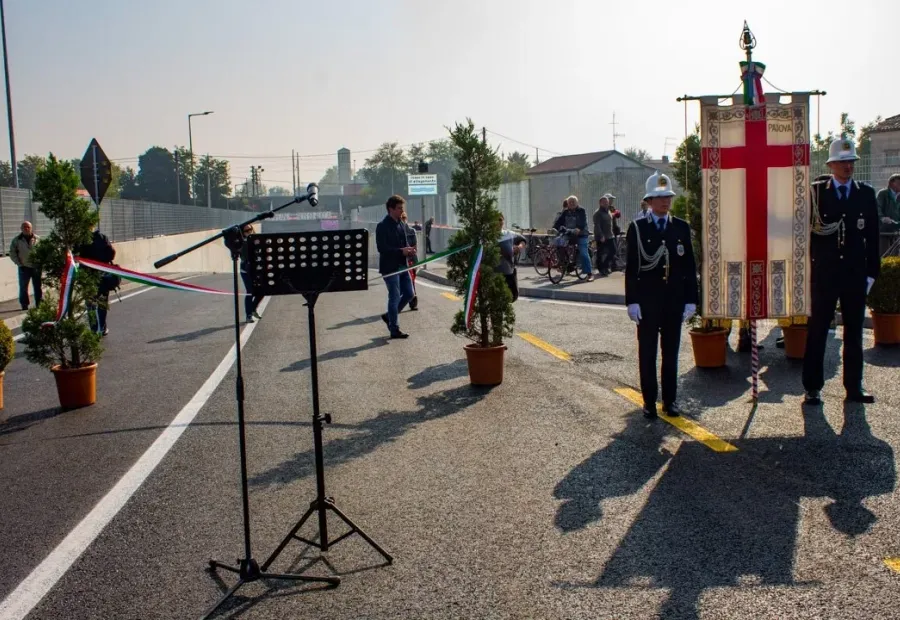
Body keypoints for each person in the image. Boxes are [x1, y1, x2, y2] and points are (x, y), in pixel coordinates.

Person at [803, 139, 880, 405]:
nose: (848, 166)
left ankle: (854, 386)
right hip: (824, 275)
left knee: (854, 332)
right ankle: (813, 386)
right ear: (831, 165)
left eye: (851, 162)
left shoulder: (865, 193)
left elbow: (873, 235)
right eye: (843, 162)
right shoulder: (815, 193)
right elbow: (804, 235)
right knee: (818, 330)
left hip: (854, 275)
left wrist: (871, 274)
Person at [625, 171, 698, 419]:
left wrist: (691, 299)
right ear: (648, 201)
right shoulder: (637, 228)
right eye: (659, 198)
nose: (665, 202)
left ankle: (670, 400)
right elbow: (632, 267)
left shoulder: (680, 227)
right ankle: (649, 401)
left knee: (671, 353)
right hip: (647, 301)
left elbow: (689, 266)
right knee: (647, 353)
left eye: (668, 196)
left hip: (673, 300)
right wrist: (632, 301)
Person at [376, 195, 416, 339]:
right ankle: (394, 328)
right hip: (390, 268)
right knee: (394, 297)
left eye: (402, 208)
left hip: (402, 266)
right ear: (390, 209)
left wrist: (409, 250)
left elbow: (404, 243)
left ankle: (389, 316)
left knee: (410, 293)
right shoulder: (382, 226)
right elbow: (382, 248)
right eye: (399, 208)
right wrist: (400, 251)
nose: (401, 211)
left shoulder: (401, 224)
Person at [79, 227, 117, 337]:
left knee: (90, 303)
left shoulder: (81, 240)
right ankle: (102, 327)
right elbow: (111, 253)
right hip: (102, 274)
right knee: (102, 302)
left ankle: (94, 328)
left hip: (87, 275)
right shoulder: (102, 238)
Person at [552, 195, 594, 281]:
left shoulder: (581, 211)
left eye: (573, 202)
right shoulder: (566, 212)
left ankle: (589, 274)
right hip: (569, 233)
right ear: (567, 204)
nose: (571, 204)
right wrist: (554, 228)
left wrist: (578, 229)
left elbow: (582, 222)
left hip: (581, 234)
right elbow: (559, 222)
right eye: (569, 202)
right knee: (559, 244)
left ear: (577, 203)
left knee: (583, 252)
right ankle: (564, 264)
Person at [9, 221, 42, 311]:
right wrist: (19, 264)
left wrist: (40, 263)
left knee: (37, 287)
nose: (26, 228)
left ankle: (39, 305)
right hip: (24, 267)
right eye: (24, 227)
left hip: (36, 267)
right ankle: (24, 305)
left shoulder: (38, 239)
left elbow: (42, 252)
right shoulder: (16, 240)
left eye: (28, 227)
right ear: (21, 228)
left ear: (31, 228)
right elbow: (12, 253)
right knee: (23, 287)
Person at [497, 213, 527, 301]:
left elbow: (523, 240)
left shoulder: (508, 234)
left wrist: (519, 247)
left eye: (500, 220)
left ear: (503, 221)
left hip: (508, 273)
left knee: (509, 299)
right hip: (493, 274)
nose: (498, 222)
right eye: (496, 220)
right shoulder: (487, 236)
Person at [239, 224, 264, 323]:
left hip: (257, 270)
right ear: (243, 233)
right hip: (246, 271)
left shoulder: (257, 240)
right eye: (246, 231)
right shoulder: (242, 242)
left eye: (250, 229)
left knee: (262, 291)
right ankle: (248, 315)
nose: (249, 232)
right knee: (250, 292)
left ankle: (253, 308)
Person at [400, 212, 419, 311]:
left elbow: (415, 247)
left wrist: (408, 251)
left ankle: (413, 303)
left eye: (404, 218)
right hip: (401, 261)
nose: (402, 220)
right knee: (401, 283)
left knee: (412, 282)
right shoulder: (397, 231)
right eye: (401, 218)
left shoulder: (412, 231)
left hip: (411, 261)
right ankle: (400, 304)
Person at [593, 196, 615, 276]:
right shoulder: (598, 213)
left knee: (613, 251)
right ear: (600, 203)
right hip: (601, 236)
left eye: (607, 202)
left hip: (610, 235)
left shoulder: (608, 211)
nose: (606, 203)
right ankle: (601, 269)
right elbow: (597, 225)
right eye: (604, 202)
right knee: (600, 253)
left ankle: (605, 266)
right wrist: (601, 235)